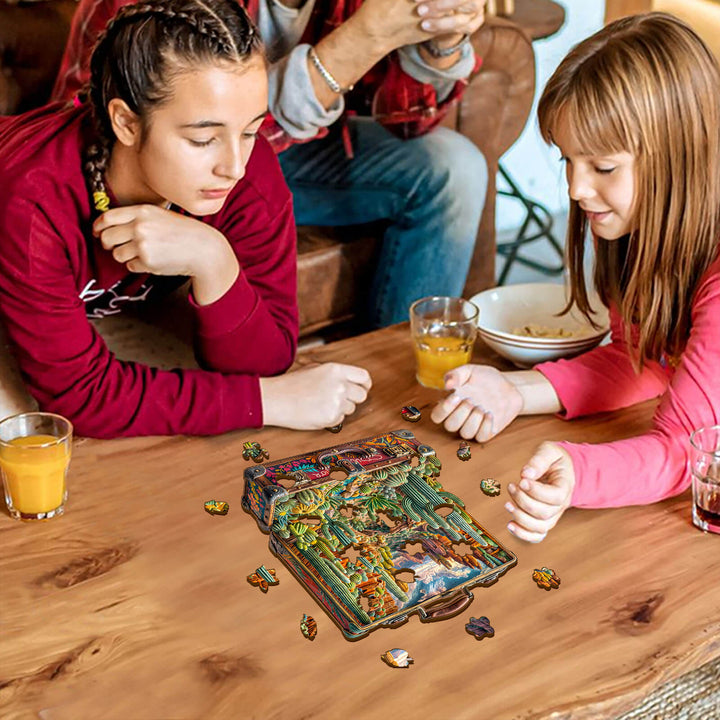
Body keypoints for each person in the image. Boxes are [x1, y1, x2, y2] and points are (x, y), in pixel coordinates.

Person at [0, 0, 371, 438]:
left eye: (250, 131)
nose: (234, 165)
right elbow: (82, 398)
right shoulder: (33, 199)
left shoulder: (247, 170)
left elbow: (268, 358)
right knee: (23, 434)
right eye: (203, 139)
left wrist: (214, 260)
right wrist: (270, 401)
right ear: (126, 123)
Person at [431, 12, 720, 542]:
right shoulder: (641, 231)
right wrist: (515, 391)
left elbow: (689, 448)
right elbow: (643, 358)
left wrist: (579, 472)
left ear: (682, 158)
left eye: (603, 167)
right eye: (568, 160)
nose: (574, 189)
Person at [51, 0, 489, 328]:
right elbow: (108, 136)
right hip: (152, 164)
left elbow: (411, 124)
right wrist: (362, 39)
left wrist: (440, 41)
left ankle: (403, 378)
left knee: (454, 167)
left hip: (288, 148)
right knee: (226, 149)